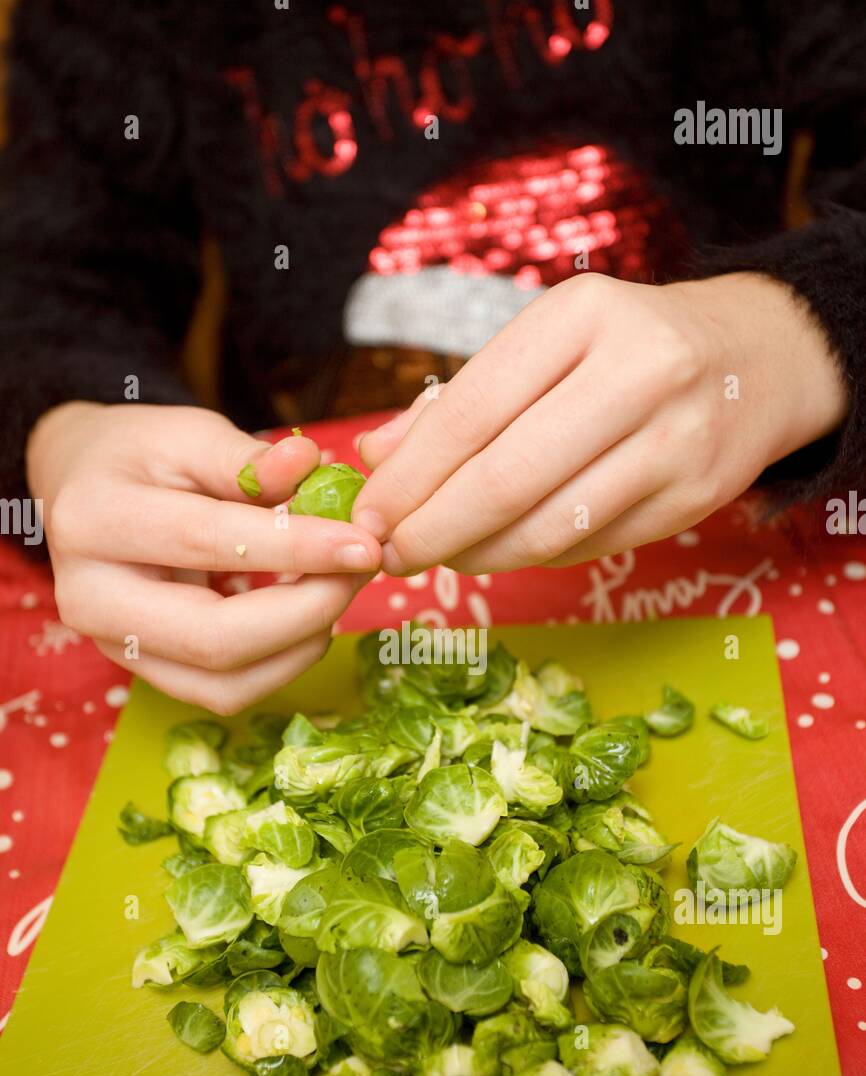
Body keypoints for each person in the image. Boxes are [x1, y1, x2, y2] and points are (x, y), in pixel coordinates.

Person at [1, 0, 863, 712]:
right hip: (299, 595)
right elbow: (48, 279)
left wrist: (797, 327)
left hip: (749, 534)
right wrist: (69, 426)